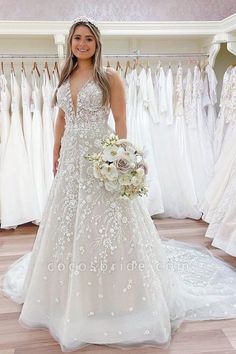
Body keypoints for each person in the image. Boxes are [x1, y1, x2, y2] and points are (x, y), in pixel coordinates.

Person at [1, 16, 236, 353]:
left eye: (89, 39)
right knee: (67, 219)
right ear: (70, 43)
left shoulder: (110, 78)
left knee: (107, 220)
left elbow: (121, 122)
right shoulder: (65, 76)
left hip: (100, 156)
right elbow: (62, 117)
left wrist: (120, 161)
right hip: (71, 158)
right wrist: (56, 148)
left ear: (97, 44)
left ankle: (118, 290)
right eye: (77, 38)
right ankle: (66, 290)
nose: (82, 44)